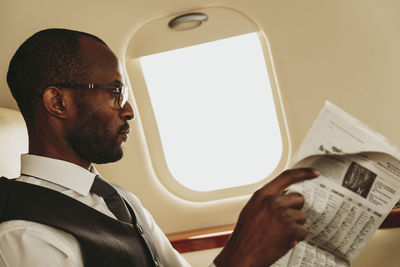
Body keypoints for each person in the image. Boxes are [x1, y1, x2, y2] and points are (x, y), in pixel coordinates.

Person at [0, 28, 320, 267]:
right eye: (114, 92)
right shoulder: (26, 235)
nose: (127, 110)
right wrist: (242, 255)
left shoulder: (120, 199)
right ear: (58, 102)